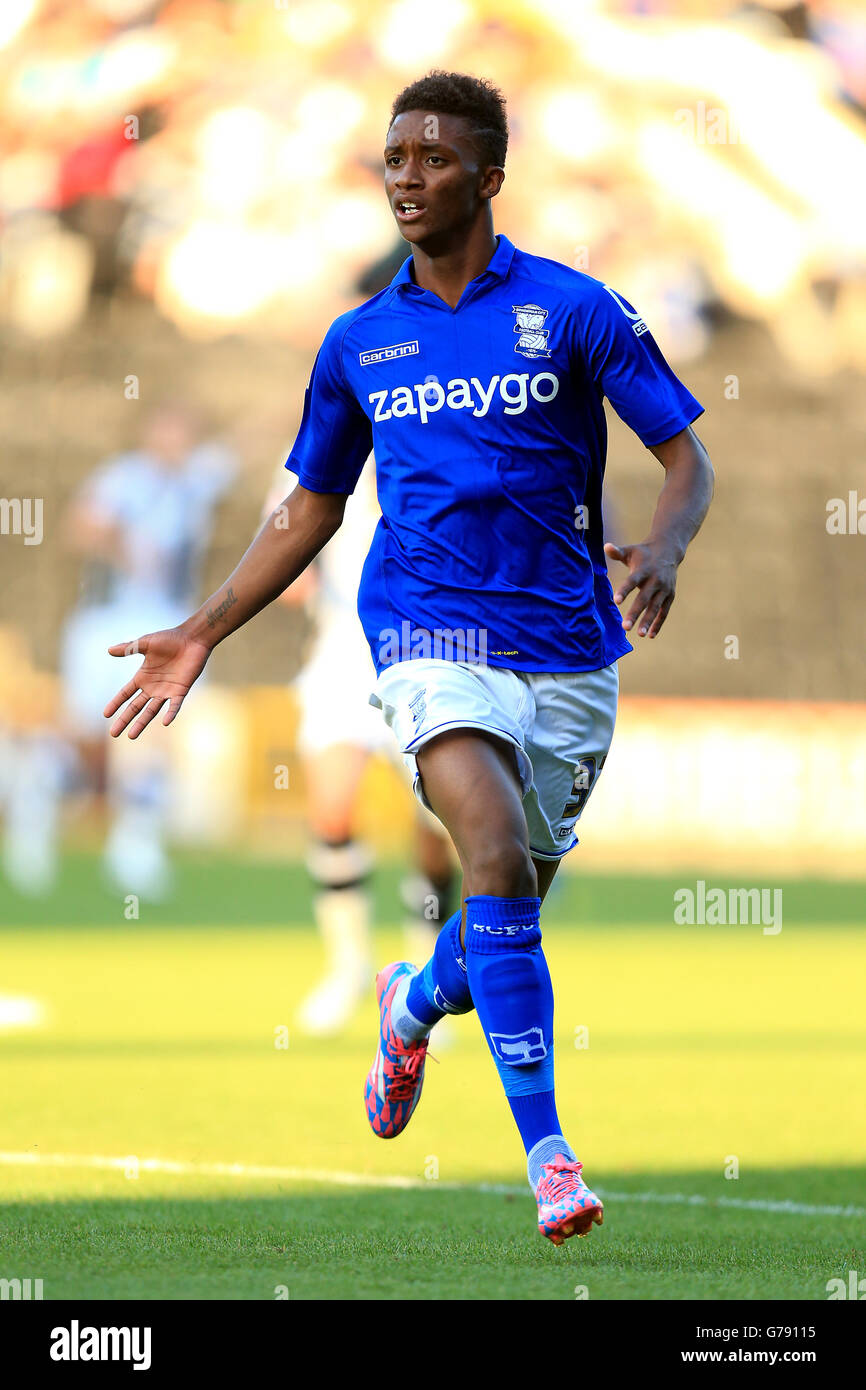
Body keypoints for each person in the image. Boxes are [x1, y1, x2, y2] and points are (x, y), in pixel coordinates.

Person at [103, 72, 713, 1245]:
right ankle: (548, 1154)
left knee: (504, 911)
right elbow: (308, 507)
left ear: (486, 178)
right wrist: (203, 627)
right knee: (481, 843)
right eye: (392, 157)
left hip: (570, 652)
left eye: (432, 158)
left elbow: (684, 459)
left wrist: (669, 548)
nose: (404, 175)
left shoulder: (576, 311)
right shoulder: (357, 339)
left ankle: (412, 1002)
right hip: (425, 634)